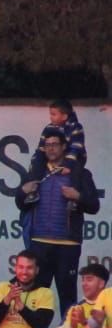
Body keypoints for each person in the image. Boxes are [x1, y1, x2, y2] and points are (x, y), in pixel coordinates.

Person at [20, 127, 103, 317]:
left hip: (68, 243)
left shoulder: (79, 173)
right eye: (47, 145)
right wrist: (23, 191)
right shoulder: (37, 172)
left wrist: (78, 196)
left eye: (55, 145)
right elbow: (20, 203)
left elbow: (94, 205)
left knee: (67, 295)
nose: (50, 149)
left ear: (64, 147)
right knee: (35, 295)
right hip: (39, 242)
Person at [55, 263, 112, 328]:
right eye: (83, 280)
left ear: (101, 283)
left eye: (89, 280)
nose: (84, 284)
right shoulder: (76, 308)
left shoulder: (109, 305)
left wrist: (84, 322)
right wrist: (72, 326)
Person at [28, 98, 87, 176]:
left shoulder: (75, 127)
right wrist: (35, 162)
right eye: (50, 114)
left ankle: (74, 186)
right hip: (54, 159)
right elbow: (41, 147)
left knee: (76, 172)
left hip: (75, 158)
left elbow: (76, 148)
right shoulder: (48, 128)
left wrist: (68, 165)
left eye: (53, 114)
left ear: (64, 116)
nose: (51, 117)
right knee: (38, 166)